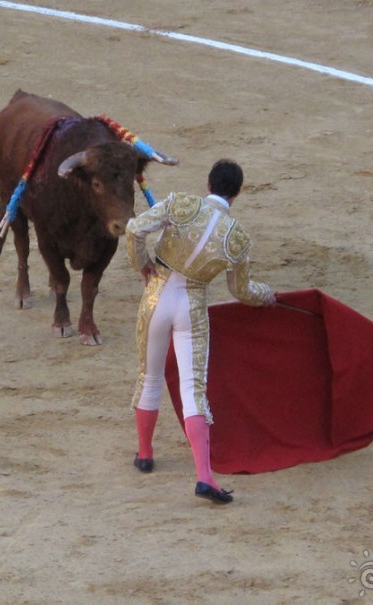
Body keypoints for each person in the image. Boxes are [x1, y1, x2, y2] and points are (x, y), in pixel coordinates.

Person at [125, 159, 276, 504]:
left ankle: (145, 454)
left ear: (208, 184)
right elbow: (242, 291)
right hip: (192, 307)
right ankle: (204, 476)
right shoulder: (236, 239)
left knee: (149, 377)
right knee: (194, 389)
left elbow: (134, 229)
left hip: (156, 297)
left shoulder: (181, 204)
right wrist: (267, 296)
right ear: (235, 194)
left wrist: (142, 265)